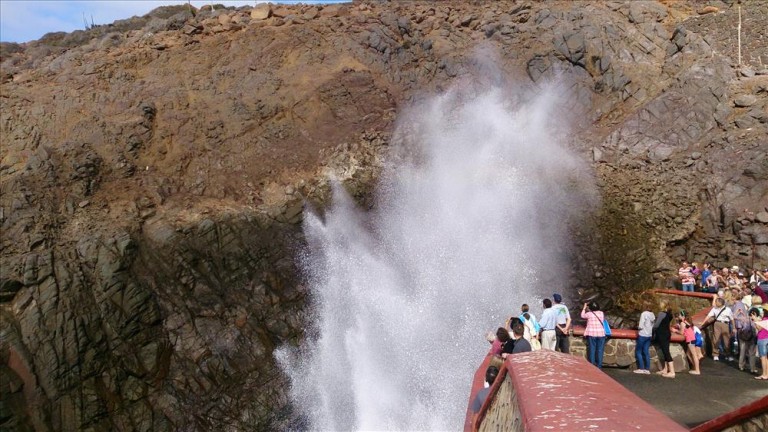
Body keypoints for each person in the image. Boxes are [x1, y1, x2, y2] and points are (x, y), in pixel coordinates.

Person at [706, 297, 735, 361]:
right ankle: (715, 354)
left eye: (716, 302)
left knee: (726, 340)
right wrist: (703, 322)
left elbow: (732, 319)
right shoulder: (714, 309)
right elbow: (709, 316)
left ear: (720, 303)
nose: (715, 303)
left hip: (725, 324)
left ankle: (728, 354)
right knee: (716, 339)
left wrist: (734, 327)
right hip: (717, 323)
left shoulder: (728, 309)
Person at [581, 301, 607, 369]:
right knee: (600, 350)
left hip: (592, 334)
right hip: (601, 334)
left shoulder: (589, 314)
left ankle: (592, 365)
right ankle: (599, 365)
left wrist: (584, 308)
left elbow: (582, 315)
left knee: (592, 349)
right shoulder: (601, 313)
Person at [653, 301, 675, 378]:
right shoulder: (669, 314)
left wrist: (652, 329)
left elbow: (656, 325)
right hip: (667, 334)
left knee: (666, 352)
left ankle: (672, 371)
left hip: (662, 334)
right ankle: (665, 369)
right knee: (666, 351)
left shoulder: (661, 314)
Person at [634, 301, 655, 374]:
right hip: (649, 335)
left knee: (638, 351)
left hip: (643, 334)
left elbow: (640, 325)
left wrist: (637, 328)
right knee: (646, 352)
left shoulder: (644, 314)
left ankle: (641, 368)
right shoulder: (652, 314)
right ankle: (647, 369)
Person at [750, 308, 768, 380]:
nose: (762, 312)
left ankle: (764, 374)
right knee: (766, 358)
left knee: (763, 357)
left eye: (763, 311)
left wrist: (755, 320)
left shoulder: (765, 319)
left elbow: (759, 328)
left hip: (762, 338)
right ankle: (766, 374)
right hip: (766, 338)